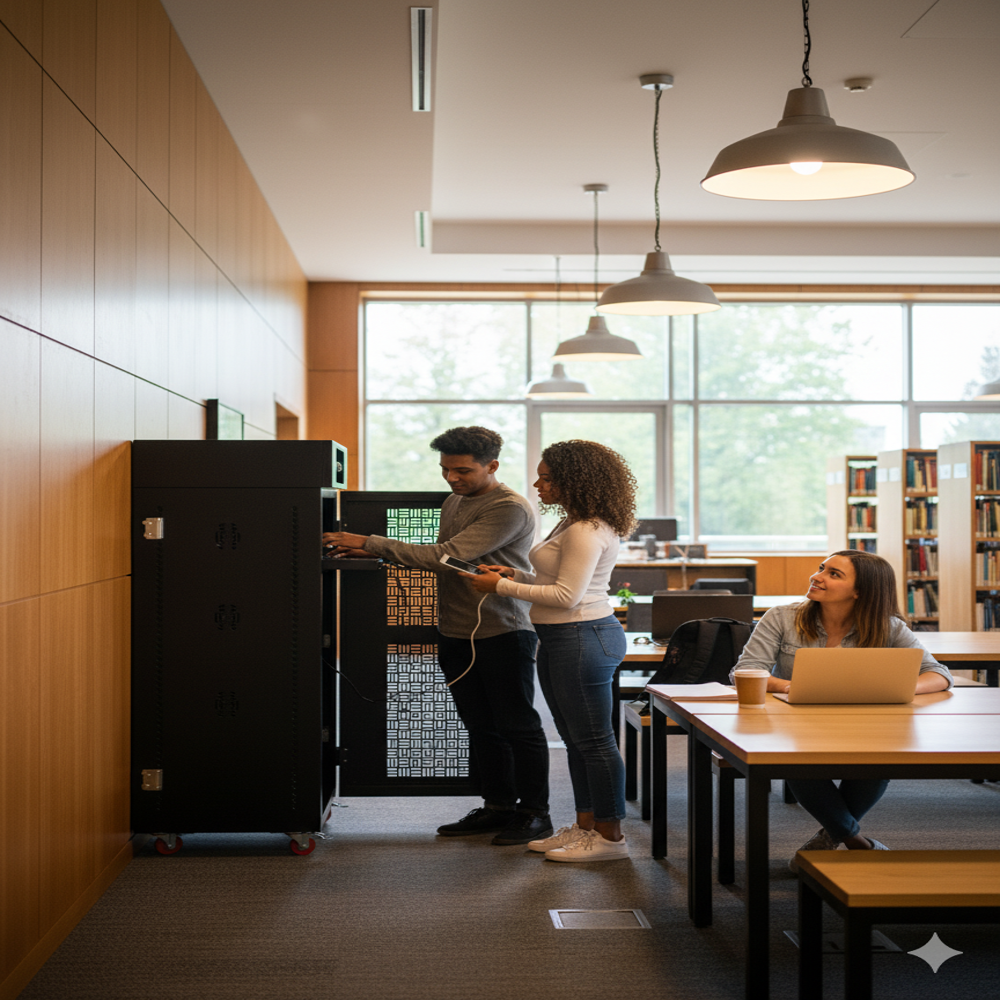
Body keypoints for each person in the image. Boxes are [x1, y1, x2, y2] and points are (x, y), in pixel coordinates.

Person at [322, 426, 552, 846]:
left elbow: (446, 557)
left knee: (518, 725)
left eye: (462, 470)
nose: (451, 478)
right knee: (480, 725)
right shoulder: (454, 500)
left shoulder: (510, 508)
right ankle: (498, 807)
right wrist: (375, 552)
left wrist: (370, 541)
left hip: (503, 632)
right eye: (446, 469)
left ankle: (536, 813)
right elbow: (447, 559)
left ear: (492, 466)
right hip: (456, 632)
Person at [463, 440, 637, 862]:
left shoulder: (584, 529)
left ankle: (610, 838)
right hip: (564, 638)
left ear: (573, 480)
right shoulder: (573, 523)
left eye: (547, 477)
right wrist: (514, 572)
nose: (537, 484)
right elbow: (554, 577)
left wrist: (500, 586)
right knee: (577, 741)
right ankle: (584, 827)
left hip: (582, 636)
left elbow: (566, 595)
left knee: (594, 742)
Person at [730, 550, 952, 868]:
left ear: (860, 591)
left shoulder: (888, 627)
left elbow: (939, 674)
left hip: (862, 725)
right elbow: (745, 671)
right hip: (796, 724)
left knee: (881, 759)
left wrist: (900, 685)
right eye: (822, 568)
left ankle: (829, 839)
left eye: (834, 574)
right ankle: (855, 840)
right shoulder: (781, 617)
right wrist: (791, 685)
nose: (817, 576)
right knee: (793, 761)